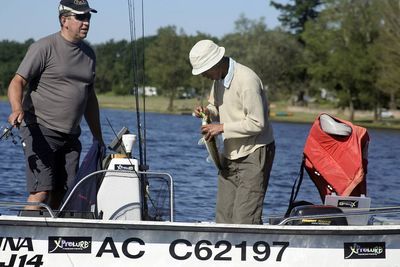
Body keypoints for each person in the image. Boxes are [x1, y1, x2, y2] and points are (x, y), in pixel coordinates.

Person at [7, 0, 103, 210]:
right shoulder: (43, 47)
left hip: (70, 136)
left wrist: (98, 137)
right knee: (41, 191)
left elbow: (90, 98)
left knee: (63, 194)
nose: (86, 22)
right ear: (64, 20)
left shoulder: (89, 54)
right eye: (80, 17)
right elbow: (17, 82)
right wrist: (16, 108)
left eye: (88, 17)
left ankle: (52, 240)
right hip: (40, 129)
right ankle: (24, 237)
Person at [189, 40, 275, 224]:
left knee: (245, 219)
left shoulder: (247, 80)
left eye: (204, 70)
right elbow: (216, 106)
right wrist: (206, 112)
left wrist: (222, 127)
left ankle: (249, 249)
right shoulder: (218, 79)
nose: (203, 75)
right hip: (230, 153)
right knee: (224, 216)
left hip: (254, 152)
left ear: (216, 63)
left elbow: (257, 123)